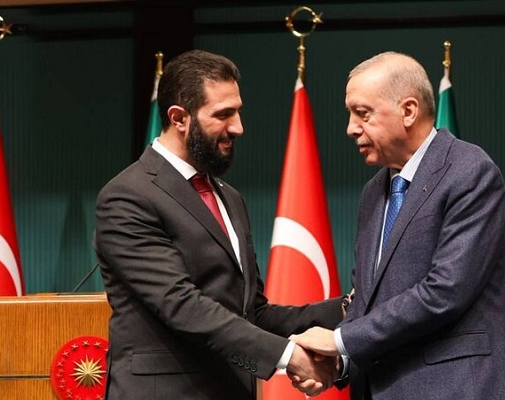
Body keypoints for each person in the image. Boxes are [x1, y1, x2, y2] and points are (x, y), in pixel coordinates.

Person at [94, 49, 343, 400]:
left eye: (237, 111)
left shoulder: (229, 197)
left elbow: (252, 312)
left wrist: (347, 308)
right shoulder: (127, 196)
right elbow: (180, 304)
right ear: (179, 118)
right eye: (223, 114)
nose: (238, 127)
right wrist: (289, 356)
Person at [290, 52, 505, 399]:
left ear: (409, 111)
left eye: (363, 113)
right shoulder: (373, 192)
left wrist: (339, 340)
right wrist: (339, 363)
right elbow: (366, 301)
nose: (351, 128)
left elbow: (445, 291)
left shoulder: (470, 172)